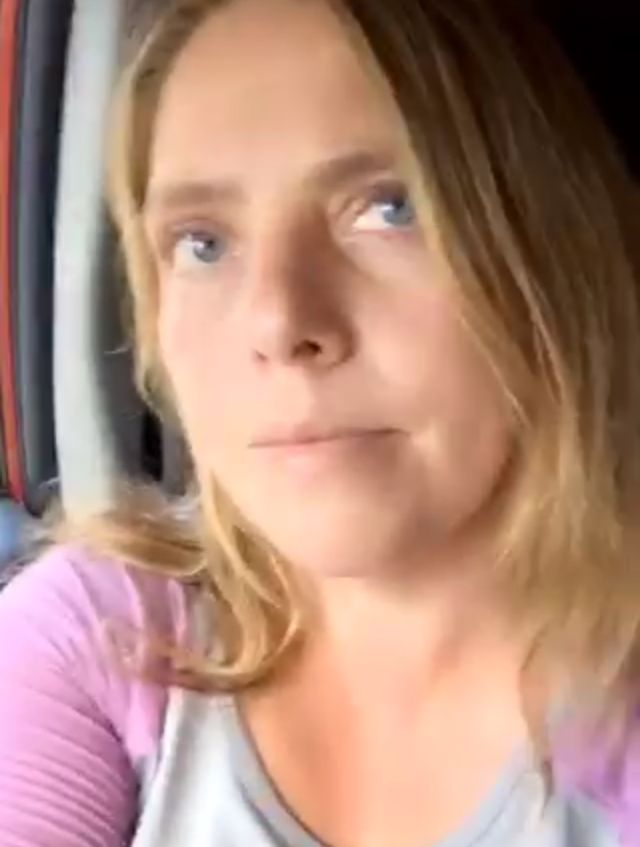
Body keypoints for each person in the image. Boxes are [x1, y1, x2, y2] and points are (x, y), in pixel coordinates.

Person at [1, 0, 639, 844]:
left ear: (553, 255)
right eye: (203, 244)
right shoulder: (99, 638)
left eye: (390, 208)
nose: (279, 320)